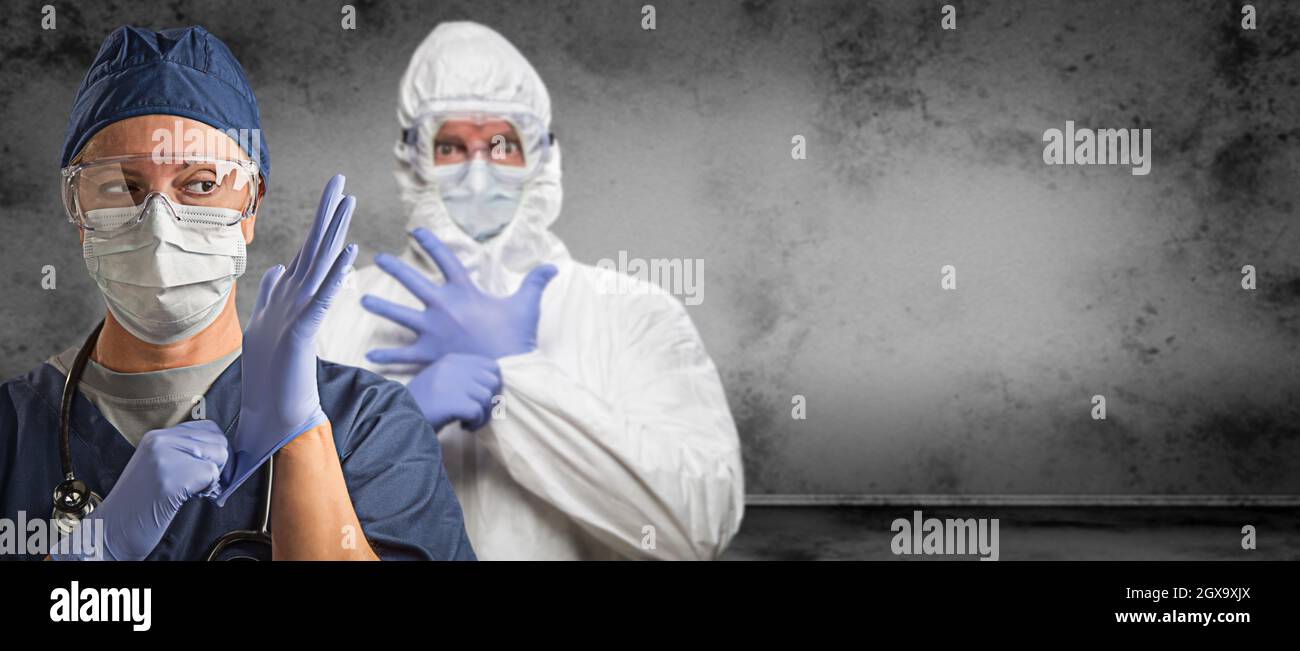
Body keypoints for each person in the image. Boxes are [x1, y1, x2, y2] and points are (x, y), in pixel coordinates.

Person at [0, 25, 473, 561]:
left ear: (250, 207)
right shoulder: (11, 430)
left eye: (201, 183)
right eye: (120, 186)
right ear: (79, 213)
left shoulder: (367, 424)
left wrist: (299, 438)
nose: (159, 224)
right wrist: (91, 552)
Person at [317, 22, 744, 560]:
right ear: (412, 157)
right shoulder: (333, 314)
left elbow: (695, 527)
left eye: (502, 144)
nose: (478, 172)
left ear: (542, 156)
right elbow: (264, 524)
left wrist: (512, 384)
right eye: (450, 146)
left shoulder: (633, 313)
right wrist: (394, 431)